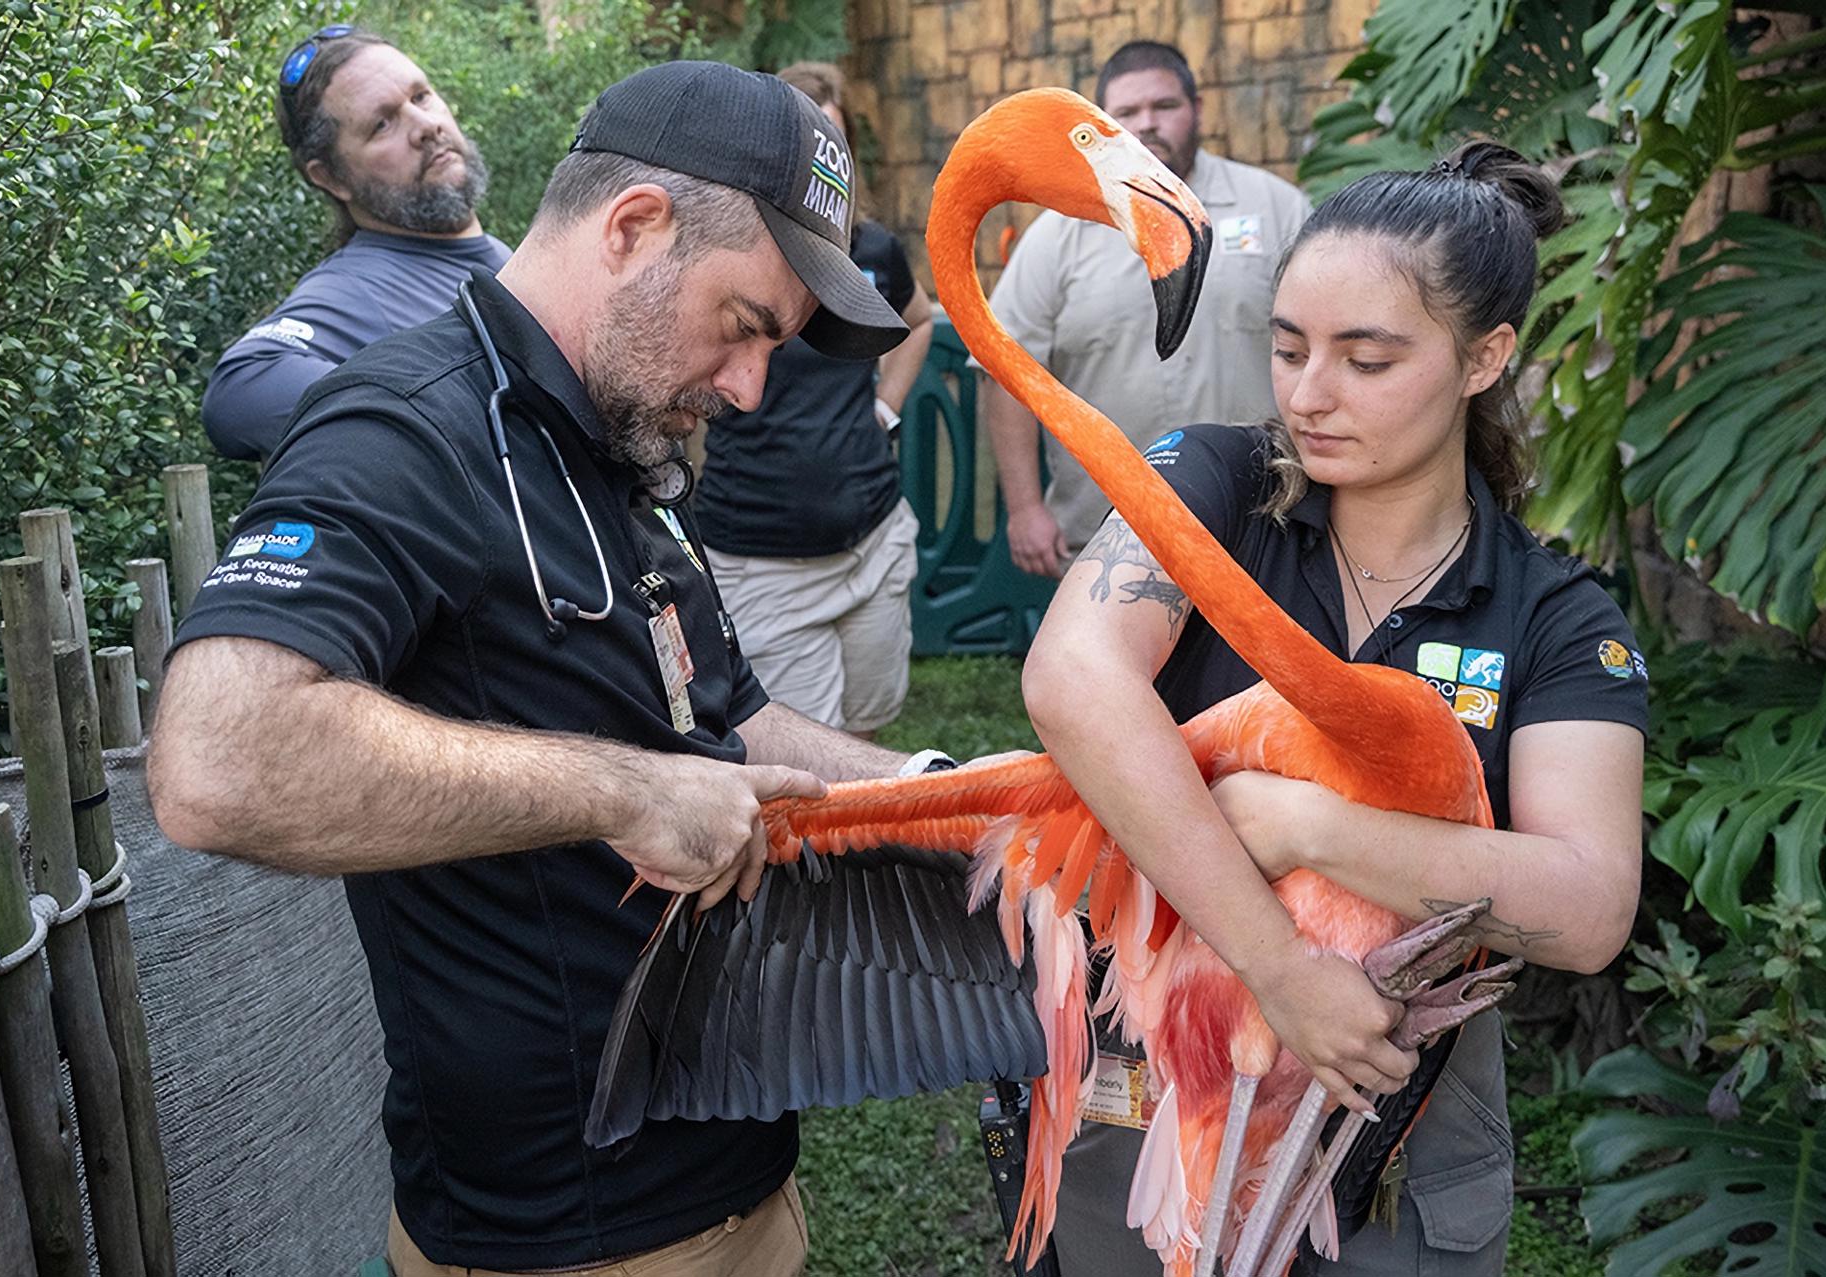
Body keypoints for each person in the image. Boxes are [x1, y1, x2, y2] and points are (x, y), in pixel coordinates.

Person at [147, 61, 941, 1276]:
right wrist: (623, 790)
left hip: (734, 1186)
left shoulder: (625, 437)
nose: (748, 387)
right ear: (635, 229)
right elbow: (217, 759)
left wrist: (948, 792)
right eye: (743, 327)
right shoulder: (407, 427)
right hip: (563, 1237)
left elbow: (730, 715)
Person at [1022, 144, 1646, 1273]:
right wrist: (1277, 962)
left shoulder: (1550, 612)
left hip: (1393, 1110)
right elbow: (1073, 679)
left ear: (1484, 357)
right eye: (1289, 348)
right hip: (1164, 1069)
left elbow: (1590, 903)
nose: (1309, 396)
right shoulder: (1218, 484)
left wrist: (1303, 826)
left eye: (1366, 359)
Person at [982, 40, 1311, 578]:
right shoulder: (1057, 236)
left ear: (1198, 110)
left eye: (1165, 107)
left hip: (1260, 519)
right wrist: (1024, 508)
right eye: (1126, 115)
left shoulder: (1277, 210)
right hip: (1108, 530)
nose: (1147, 125)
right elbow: (1005, 371)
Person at [693, 61, 934, 737]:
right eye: (807, 146)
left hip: (874, 537)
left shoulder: (874, 250)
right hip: (764, 558)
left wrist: (885, 406)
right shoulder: (731, 256)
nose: (825, 166)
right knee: (807, 770)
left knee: (866, 728)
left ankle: (868, 849)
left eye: (836, 145)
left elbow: (919, 320)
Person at [200, 26, 510, 461]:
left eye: (421, 96)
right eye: (382, 123)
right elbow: (238, 391)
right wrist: (439, 418)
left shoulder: (500, 257)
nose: (426, 126)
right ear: (331, 177)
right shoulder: (359, 288)